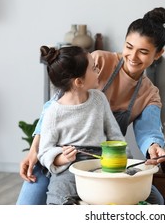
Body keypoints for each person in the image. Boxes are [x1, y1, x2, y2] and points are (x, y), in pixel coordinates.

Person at [17, 7, 165, 205]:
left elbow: (147, 131)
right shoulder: (96, 61)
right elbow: (54, 107)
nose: (132, 56)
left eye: (143, 52)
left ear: (158, 54)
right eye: (129, 47)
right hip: (59, 159)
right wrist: (34, 150)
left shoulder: (149, 94)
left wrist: (153, 147)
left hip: (105, 161)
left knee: (153, 199)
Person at [37, 45, 129, 205]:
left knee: (151, 195)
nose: (98, 70)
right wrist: (61, 158)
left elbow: (115, 135)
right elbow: (44, 153)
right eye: (94, 68)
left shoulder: (99, 99)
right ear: (79, 82)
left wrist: (127, 160)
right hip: (70, 167)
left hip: (103, 160)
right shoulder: (53, 112)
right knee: (57, 198)